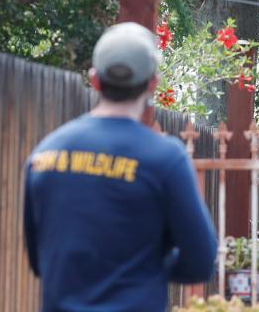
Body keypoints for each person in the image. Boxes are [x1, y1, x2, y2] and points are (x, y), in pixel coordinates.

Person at [23, 22, 217, 312]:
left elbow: (40, 261)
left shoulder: (44, 154)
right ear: (152, 83)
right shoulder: (165, 159)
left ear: (95, 79)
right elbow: (200, 263)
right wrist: (147, 264)